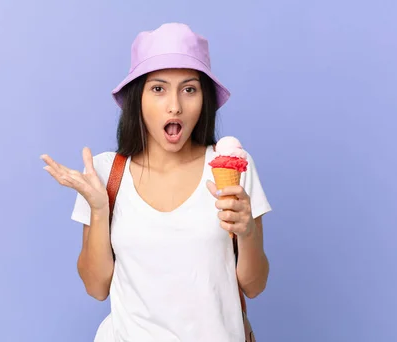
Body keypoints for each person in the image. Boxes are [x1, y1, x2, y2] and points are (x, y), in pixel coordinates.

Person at [41, 22, 272, 342]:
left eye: (189, 89)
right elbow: (96, 288)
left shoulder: (230, 165)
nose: (174, 105)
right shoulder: (105, 174)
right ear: (138, 98)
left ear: (204, 98)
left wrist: (246, 233)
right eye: (158, 88)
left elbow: (255, 285)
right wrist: (98, 210)